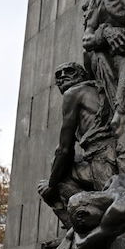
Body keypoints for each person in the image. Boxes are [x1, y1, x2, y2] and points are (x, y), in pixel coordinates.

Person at [38, 62, 118, 229]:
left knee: (57, 176)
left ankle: (76, 231)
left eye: (69, 71)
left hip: (104, 156)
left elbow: (64, 149)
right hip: (112, 152)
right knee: (64, 168)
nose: (62, 76)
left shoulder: (73, 93)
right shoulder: (99, 90)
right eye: (58, 75)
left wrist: (51, 185)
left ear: (82, 75)